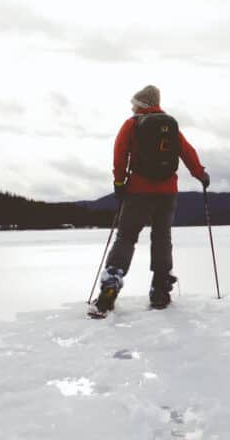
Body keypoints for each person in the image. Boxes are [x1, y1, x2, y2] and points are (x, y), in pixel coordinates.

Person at [89, 85, 209, 314]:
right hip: (167, 192)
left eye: (134, 102)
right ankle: (160, 289)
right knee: (162, 237)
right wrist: (200, 174)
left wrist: (119, 182)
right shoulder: (170, 126)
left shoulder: (133, 124)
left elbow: (120, 152)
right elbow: (187, 152)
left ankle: (112, 282)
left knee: (126, 237)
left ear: (142, 103)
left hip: (138, 191)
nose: (132, 106)